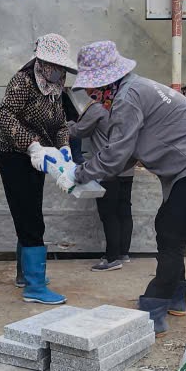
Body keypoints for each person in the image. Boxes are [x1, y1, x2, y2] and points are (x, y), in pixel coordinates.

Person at [67, 41, 186, 334]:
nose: (90, 93)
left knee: (170, 233)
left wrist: (78, 173)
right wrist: (96, 170)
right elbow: (127, 151)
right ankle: (175, 297)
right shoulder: (134, 89)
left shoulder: (127, 98)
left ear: (106, 83)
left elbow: (116, 155)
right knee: (168, 229)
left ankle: (154, 307)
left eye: (92, 87)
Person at [0, 33, 77, 304]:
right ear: (41, 62)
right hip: (15, 157)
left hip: (41, 159)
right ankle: (34, 286)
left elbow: (61, 123)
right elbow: (4, 116)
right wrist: (32, 145)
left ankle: (25, 275)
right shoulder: (23, 81)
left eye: (61, 67)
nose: (59, 71)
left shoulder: (56, 87)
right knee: (30, 220)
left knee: (29, 214)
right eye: (55, 65)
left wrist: (64, 147)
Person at [71, 97, 133, 271]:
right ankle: (123, 253)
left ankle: (112, 259)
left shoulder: (98, 109)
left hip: (108, 168)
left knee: (109, 213)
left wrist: (66, 124)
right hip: (127, 167)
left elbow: (78, 131)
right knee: (124, 210)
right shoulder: (126, 105)